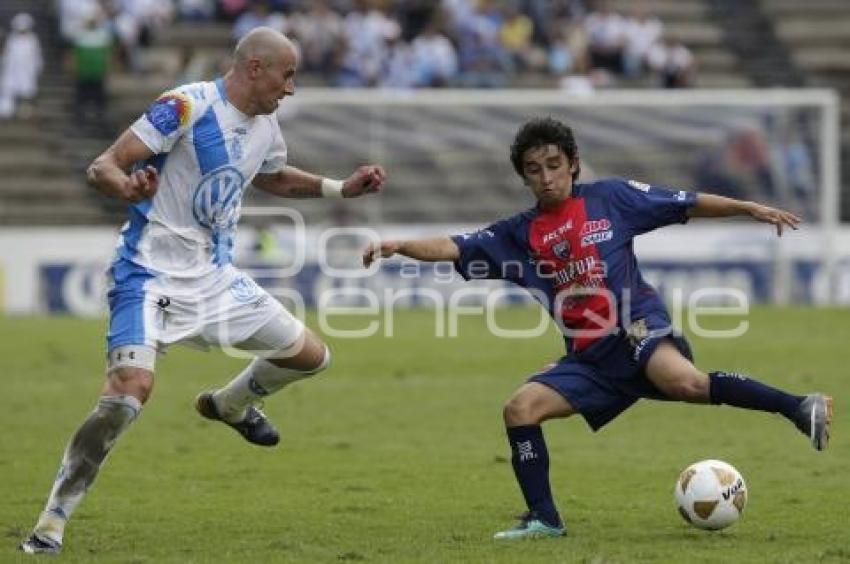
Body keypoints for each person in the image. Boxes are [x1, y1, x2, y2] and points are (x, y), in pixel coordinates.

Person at [362, 117, 831, 540]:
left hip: (637, 327)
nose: (546, 177)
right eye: (533, 169)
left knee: (684, 381)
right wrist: (400, 244)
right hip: (589, 359)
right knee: (520, 409)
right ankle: (544, 519)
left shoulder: (611, 198)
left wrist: (748, 207)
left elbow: (684, 203)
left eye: (553, 164)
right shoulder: (517, 234)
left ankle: (798, 407)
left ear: (573, 164)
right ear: (523, 176)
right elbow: (455, 246)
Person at [20, 27, 386, 555]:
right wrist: (127, 187)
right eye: (288, 76)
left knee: (310, 355)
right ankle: (54, 517)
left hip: (215, 280)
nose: (291, 89)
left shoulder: (265, 122)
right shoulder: (185, 106)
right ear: (255, 68)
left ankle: (229, 405)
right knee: (126, 398)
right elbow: (104, 166)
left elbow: (273, 176)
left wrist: (338, 188)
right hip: (147, 275)